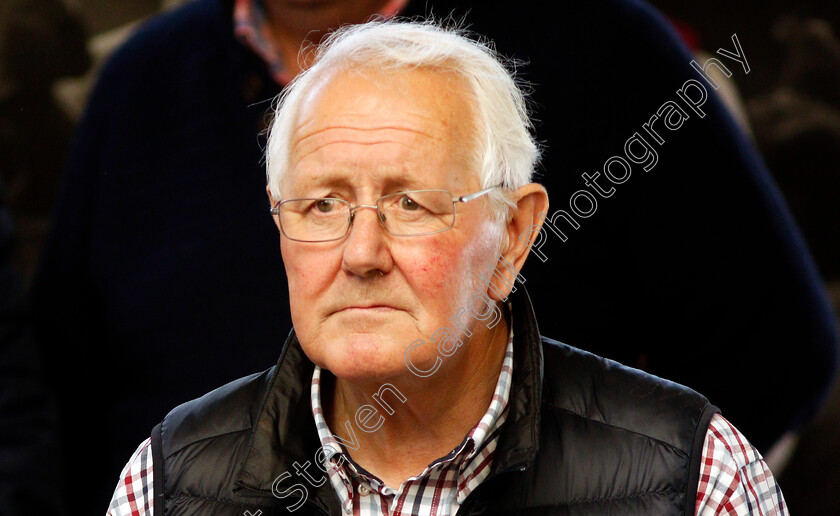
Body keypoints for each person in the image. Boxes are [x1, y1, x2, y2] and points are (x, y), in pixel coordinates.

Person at [30, 0, 836, 513]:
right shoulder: (142, 80)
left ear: (515, 235)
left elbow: (774, 343)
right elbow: (56, 382)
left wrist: (618, 478)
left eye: (413, 203)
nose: (361, 253)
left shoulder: (598, 43)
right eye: (320, 205)